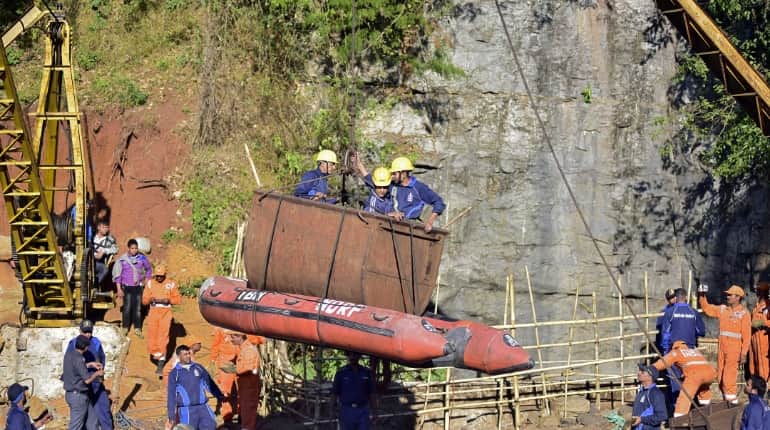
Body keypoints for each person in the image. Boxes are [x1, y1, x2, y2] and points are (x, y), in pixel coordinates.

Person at [698, 284, 751, 404]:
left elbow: (747, 336)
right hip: (722, 349)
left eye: (730, 295)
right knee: (721, 378)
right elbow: (707, 308)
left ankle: (732, 406)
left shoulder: (744, 314)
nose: (727, 297)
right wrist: (702, 295)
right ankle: (726, 403)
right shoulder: (722, 309)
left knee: (728, 379)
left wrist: (743, 353)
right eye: (727, 294)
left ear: (738, 297)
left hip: (734, 350)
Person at [66, 319, 112, 430]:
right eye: (85, 332)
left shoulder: (96, 342)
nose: (88, 335)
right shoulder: (73, 344)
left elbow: (102, 358)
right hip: (81, 385)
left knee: (103, 409)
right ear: (79, 330)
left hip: (95, 384)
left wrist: (99, 370)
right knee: (82, 415)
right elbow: (72, 364)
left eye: (90, 332)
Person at [651, 340, 716, 417]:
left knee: (685, 396)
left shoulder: (677, 351)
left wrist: (652, 368)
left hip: (695, 375)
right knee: (703, 389)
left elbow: (664, 362)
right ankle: (707, 409)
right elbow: (695, 365)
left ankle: (679, 418)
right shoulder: (694, 351)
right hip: (711, 373)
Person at [167, 344, 225, 430]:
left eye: (189, 353)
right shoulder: (174, 373)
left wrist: (219, 395)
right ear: (179, 356)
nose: (188, 356)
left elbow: (209, 383)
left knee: (211, 426)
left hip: (203, 407)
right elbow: (171, 396)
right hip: (186, 410)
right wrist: (171, 416)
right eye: (185, 354)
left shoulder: (198, 368)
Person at [142, 264, 182, 374]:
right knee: (152, 335)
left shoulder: (171, 284)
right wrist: (150, 299)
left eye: (161, 276)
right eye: (157, 276)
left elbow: (178, 299)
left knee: (163, 337)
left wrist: (169, 300)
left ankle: (161, 363)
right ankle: (155, 354)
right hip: (154, 312)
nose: (159, 278)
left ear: (165, 275)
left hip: (165, 312)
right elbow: (144, 300)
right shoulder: (150, 283)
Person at [389, 156, 445, 233]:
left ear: (404, 173)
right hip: (392, 224)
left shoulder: (418, 187)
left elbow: (439, 202)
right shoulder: (392, 186)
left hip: (411, 228)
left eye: (394, 173)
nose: (392, 176)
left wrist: (430, 221)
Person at [224, 332, 266, 430]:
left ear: (240, 337)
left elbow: (248, 368)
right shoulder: (244, 348)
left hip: (249, 387)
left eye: (233, 337)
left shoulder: (248, 350)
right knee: (246, 412)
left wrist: (233, 369)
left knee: (248, 413)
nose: (231, 340)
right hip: (246, 386)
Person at [63, 334, 105, 430]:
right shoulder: (79, 358)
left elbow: (76, 367)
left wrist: (90, 364)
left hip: (74, 395)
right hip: (78, 396)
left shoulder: (69, 354)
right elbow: (87, 380)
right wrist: (97, 373)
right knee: (76, 426)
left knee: (92, 420)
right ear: (86, 347)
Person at [112, 238, 152, 337]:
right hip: (127, 287)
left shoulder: (142, 259)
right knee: (127, 308)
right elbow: (118, 276)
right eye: (132, 248)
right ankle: (125, 327)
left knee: (138, 308)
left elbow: (148, 269)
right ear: (128, 248)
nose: (134, 250)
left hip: (138, 287)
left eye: (136, 248)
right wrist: (119, 289)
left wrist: (147, 279)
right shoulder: (122, 260)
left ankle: (137, 328)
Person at [332, 350, 376, 430]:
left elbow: (372, 393)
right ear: (348, 356)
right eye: (350, 355)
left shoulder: (366, 372)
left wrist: (375, 411)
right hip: (347, 410)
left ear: (359, 356)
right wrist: (332, 410)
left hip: (363, 410)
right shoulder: (341, 373)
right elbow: (334, 393)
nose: (352, 357)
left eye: (355, 354)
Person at [210, 328, 239, 424]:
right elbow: (215, 344)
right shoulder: (219, 327)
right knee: (226, 390)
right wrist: (213, 359)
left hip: (240, 359)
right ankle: (227, 417)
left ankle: (241, 413)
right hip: (225, 360)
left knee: (240, 388)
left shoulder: (240, 323)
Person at [630, 364, 667, 430]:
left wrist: (642, 419)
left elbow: (662, 416)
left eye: (642, 372)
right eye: (639, 371)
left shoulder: (656, 393)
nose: (639, 373)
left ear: (650, 377)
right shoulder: (641, 392)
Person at [750, 281, 770, 382]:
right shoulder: (756, 307)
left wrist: (763, 322)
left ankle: (764, 388)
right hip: (753, 339)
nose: (757, 292)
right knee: (753, 365)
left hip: (763, 339)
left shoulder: (768, 306)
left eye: (759, 290)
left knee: (763, 365)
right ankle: (756, 389)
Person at [92, 220, 118, 286]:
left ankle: (94, 286)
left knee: (105, 270)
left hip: (98, 263)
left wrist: (104, 251)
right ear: (98, 227)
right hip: (88, 260)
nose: (106, 229)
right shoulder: (91, 236)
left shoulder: (109, 239)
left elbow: (115, 249)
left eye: (107, 227)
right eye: (104, 227)